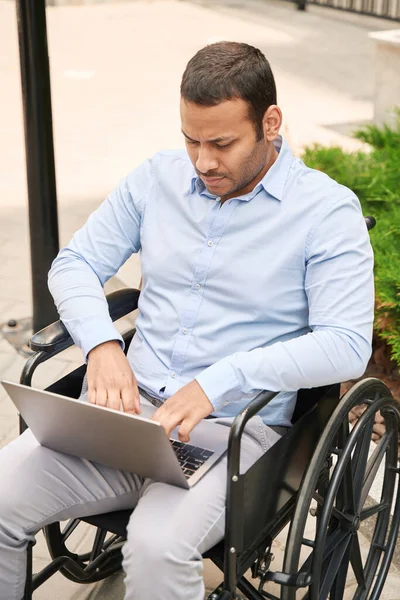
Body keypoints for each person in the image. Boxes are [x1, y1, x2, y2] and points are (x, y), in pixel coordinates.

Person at [0, 41, 373, 600]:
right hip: (128, 416)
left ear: (270, 123)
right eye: (191, 140)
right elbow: (75, 264)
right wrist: (102, 346)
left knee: (156, 550)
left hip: (234, 431)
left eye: (222, 143)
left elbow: (346, 344)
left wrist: (218, 381)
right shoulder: (157, 179)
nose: (203, 161)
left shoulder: (325, 212)